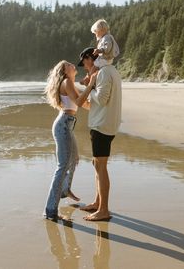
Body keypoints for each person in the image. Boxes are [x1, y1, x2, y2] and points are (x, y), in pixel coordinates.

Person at [43, 60, 96, 220]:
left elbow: (84, 104)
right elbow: (81, 102)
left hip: (67, 124)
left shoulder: (69, 82)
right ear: (65, 71)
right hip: (64, 124)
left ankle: (65, 189)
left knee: (74, 159)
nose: (74, 65)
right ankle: (50, 210)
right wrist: (92, 83)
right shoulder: (67, 82)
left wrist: (98, 105)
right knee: (62, 166)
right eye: (70, 65)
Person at [77, 47, 122, 221]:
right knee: (97, 165)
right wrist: (91, 83)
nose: (85, 67)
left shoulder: (103, 73)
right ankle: (98, 202)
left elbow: (102, 99)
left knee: (101, 168)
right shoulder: (112, 71)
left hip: (101, 126)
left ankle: (103, 210)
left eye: (85, 62)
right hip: (107, 124)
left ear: (91, 58)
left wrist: (91, 86)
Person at [79, 19, 119, 85]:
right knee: (96, 67)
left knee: (94, 66)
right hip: (106, 59)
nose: (96, 35)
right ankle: (91, 79)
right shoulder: (106, 38)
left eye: (96, 32)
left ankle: (87, 78)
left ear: (102, 30)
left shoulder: (107, 37)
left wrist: (100, 50)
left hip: (105, 59)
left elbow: (107, 47)